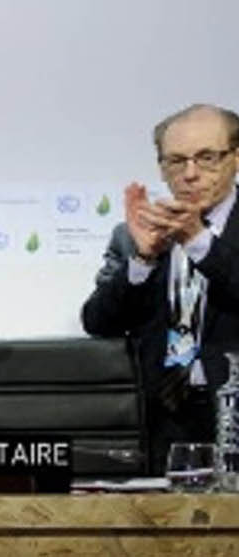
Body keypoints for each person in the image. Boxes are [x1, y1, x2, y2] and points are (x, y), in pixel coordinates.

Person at [82, 103, 239, 468]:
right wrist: (143, 260)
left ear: (235, 158)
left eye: (207, 158)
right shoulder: (137, 233)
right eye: (176, 161)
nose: (190, 174)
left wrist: (199, 241)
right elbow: (98, 322)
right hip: (165, 414)